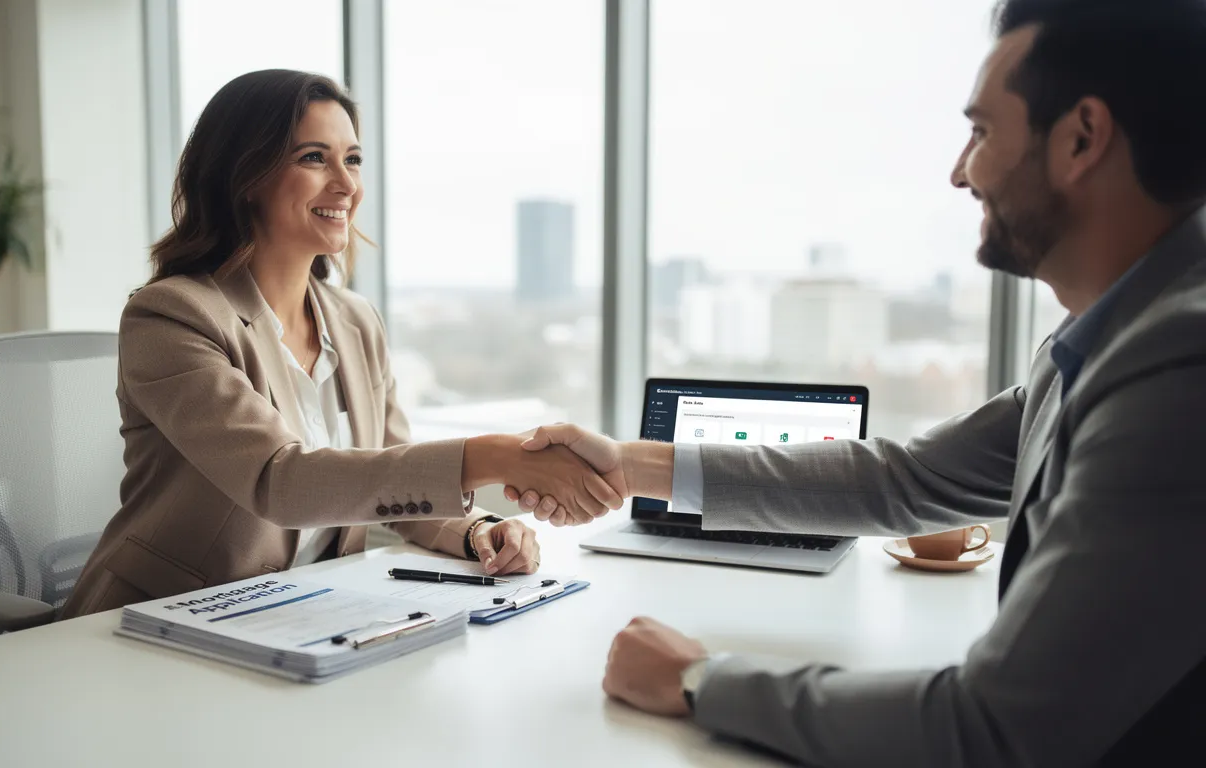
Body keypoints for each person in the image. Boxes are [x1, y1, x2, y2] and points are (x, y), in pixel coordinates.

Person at [505, 0, 1206, 764]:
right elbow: (901, 479)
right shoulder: (1099, 343)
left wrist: (703, 679)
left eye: (981, 131)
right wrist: (630, 464)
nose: (959, 171)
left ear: (1081, 139)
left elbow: (994, 730)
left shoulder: (1179, 368)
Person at [61, 70, 621, 619]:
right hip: (154, 620)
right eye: (313, 157)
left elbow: (396, 492)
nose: (347, 184)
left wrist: (477, 531)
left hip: (296, 617)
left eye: (352, 159)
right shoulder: (172, 317)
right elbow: (278, 480)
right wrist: (492, 456)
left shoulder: (355, 321)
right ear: (245, 176)